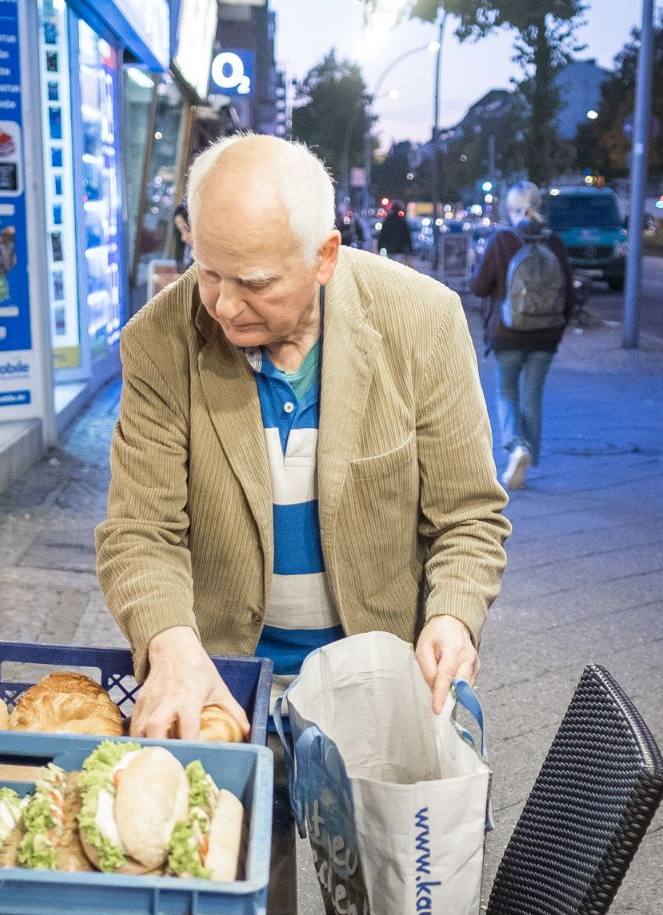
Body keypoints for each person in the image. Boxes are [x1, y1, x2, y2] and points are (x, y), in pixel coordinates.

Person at [95, 133, 510, 738]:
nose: (227, 307)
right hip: (223, 687)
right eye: (209, 272)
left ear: (325, 257)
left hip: (385, 684)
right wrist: (170, 641)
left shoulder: (423, 320)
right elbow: (140, 531)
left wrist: (452, 616)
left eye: (256, 283)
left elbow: (467, 514)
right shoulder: (158, 341)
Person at [468, 180, 574, 492]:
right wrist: (558, 328)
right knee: (532, 397)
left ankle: (516, 447)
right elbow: (568, 291)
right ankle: (525, 464)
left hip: (508, 332)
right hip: (546, 334)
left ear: (510, 208)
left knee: (506, 393)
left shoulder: (501, 240)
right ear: (539, 205)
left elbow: (477, 286)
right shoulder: (554, 242)